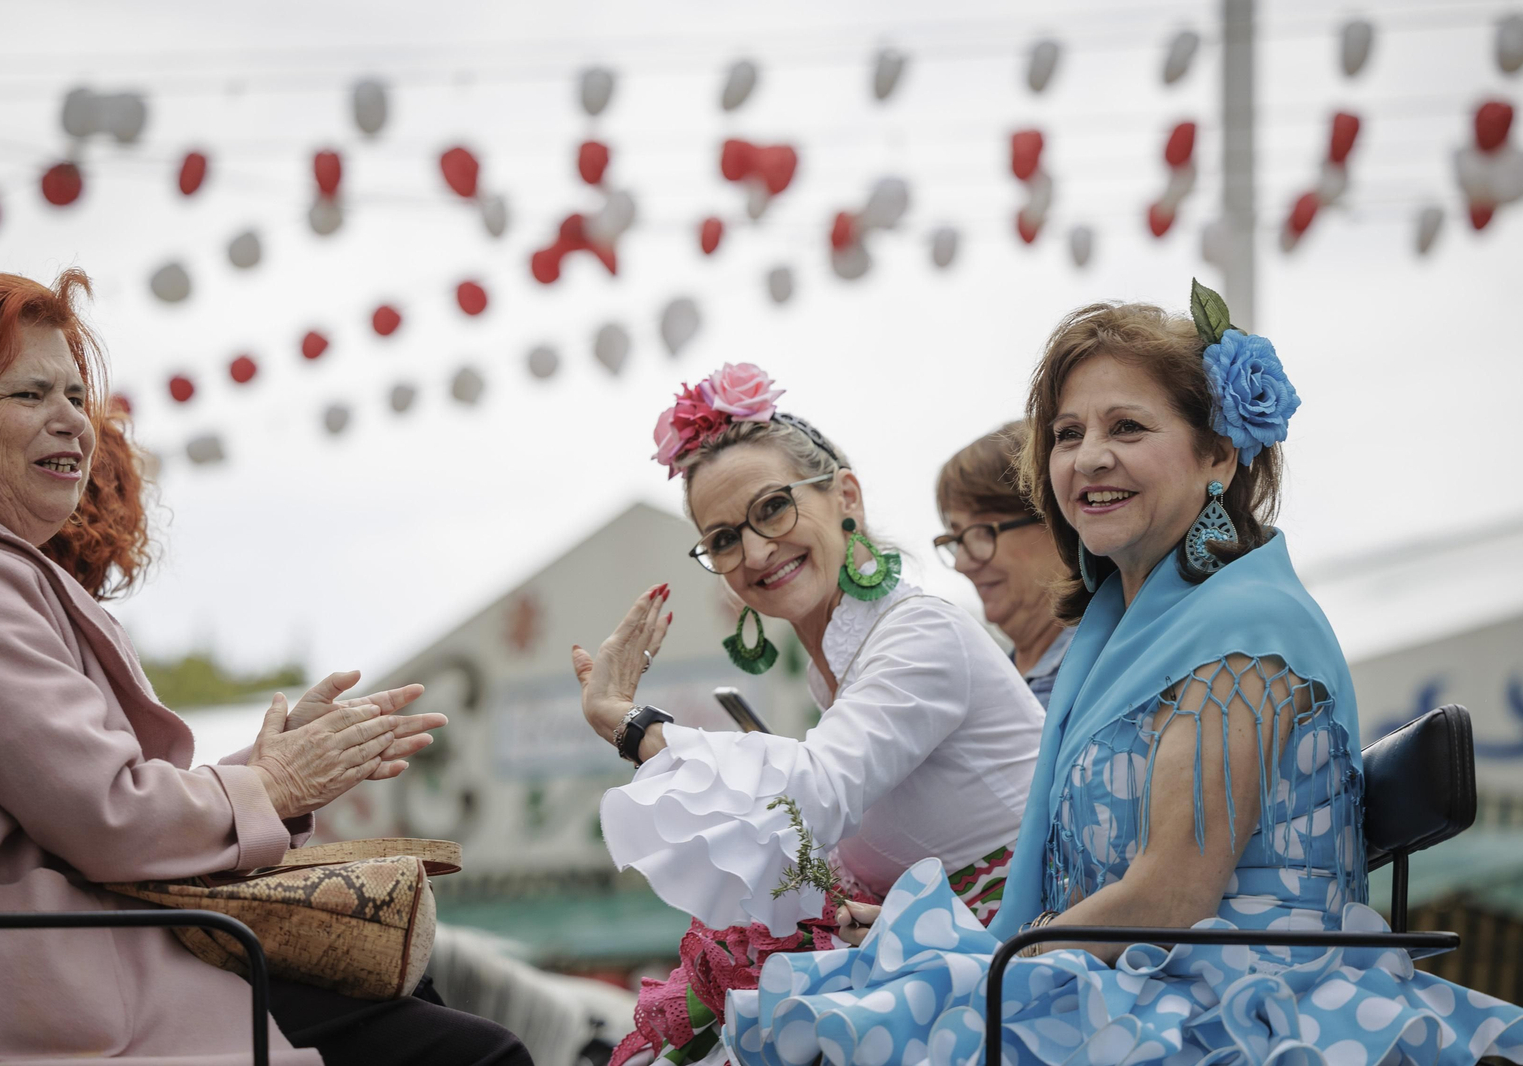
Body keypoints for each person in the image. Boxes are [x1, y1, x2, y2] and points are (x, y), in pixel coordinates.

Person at [721, 290, 1523, 1066]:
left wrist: (979, 964)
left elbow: (1170, 897)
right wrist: (928, 939)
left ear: (1219, 454)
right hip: (1148, 985)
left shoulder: (1245, 628)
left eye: (1128, 427)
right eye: (1067, 434)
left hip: (1240, 1006)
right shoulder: (1116, 632)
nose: (1090, 456)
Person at [0, 271, 531, 1066]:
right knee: (473, 1052)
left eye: (76, 395)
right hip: (58, 984)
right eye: (29, 394)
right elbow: (109, 816)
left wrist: (277, 769)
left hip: (99, 958)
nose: (71, 419)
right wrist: (274, 784)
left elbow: (101, 795)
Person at [569, 362, 1045, 1066]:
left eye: (772, 508)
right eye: (724, 538)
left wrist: (627, 723)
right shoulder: (845, 670)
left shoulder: (921, 635)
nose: (756, 551)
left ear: (844, 496)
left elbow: (809, 795)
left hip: (1017, 980)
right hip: (946, 973)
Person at [935, 420, 1071, 707]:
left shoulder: (1107, 675)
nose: (962, 564)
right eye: (956, 539)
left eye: (981, 533)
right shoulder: (987, 686)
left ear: (1056, 523)